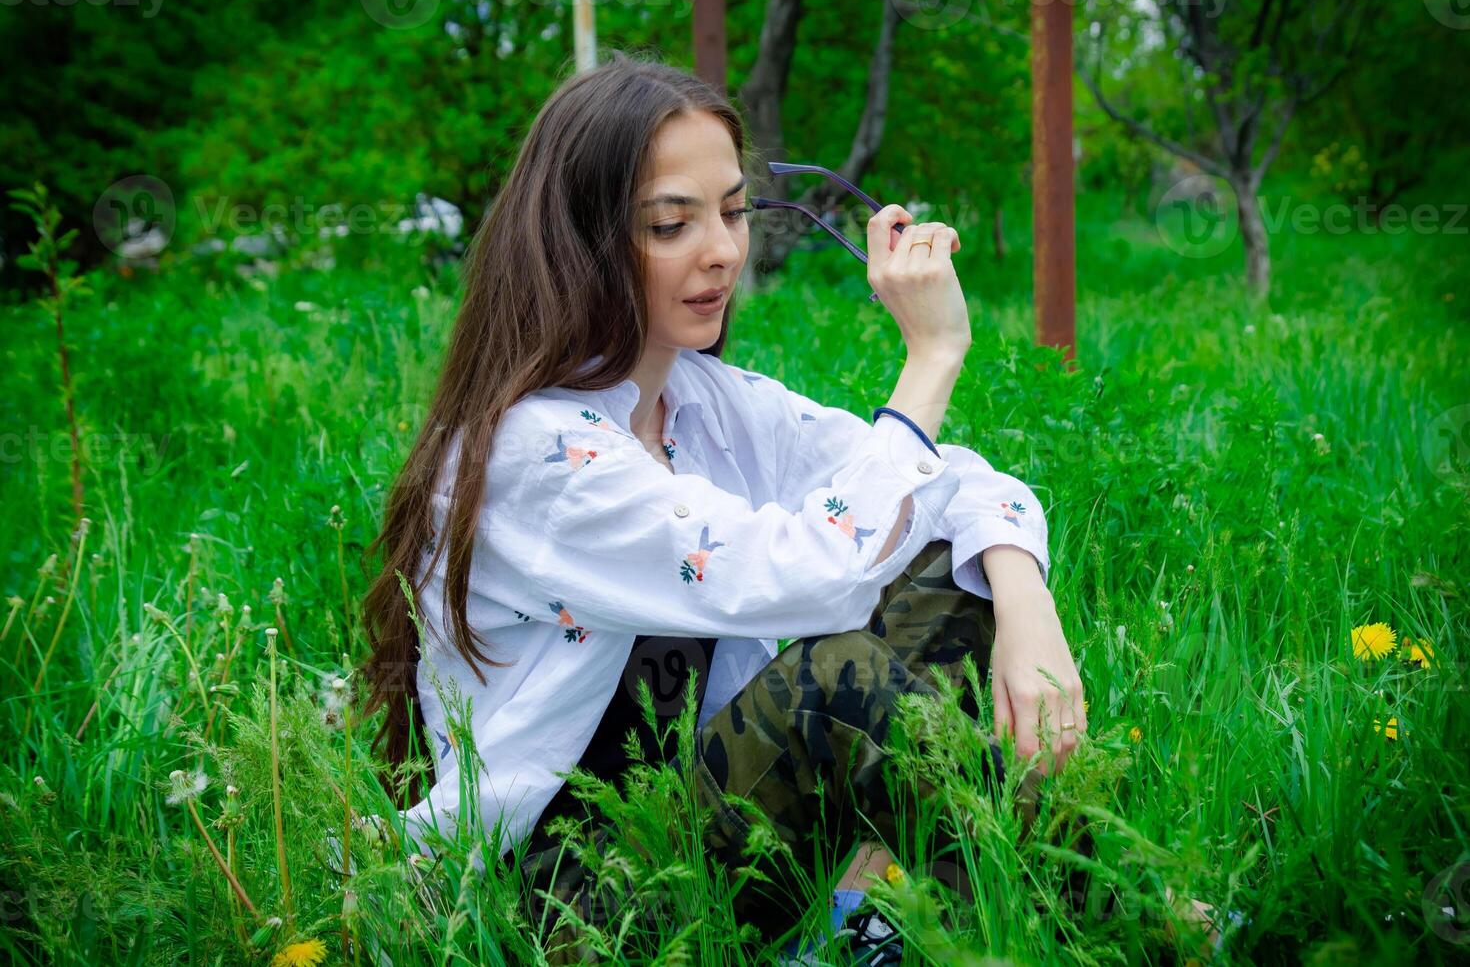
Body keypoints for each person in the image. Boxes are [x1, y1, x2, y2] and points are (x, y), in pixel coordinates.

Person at [357, 52, 1144, 963]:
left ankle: (901, 922)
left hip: (709, 847)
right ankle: (1121, 921)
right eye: (669, 223)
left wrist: (1025, 603)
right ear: (581, 239)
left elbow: (944, 480)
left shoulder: (703, 400)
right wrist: (930, 359)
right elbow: (819, 574)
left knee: (949, 586)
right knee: (833, 685)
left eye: (732, 210)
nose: (722, 250)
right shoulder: (537, 457)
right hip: (571, 902)